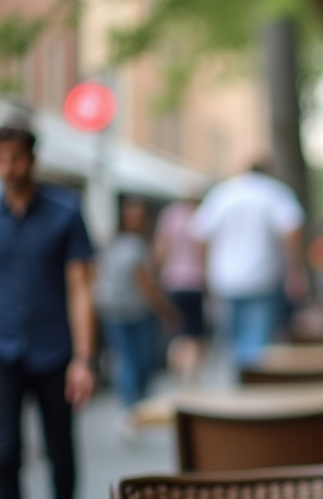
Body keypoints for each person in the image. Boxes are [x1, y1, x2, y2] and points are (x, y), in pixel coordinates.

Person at [0, 118, 95, 499]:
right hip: (4, 350)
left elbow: (80, 288)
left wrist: (84, 357)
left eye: (15, 157)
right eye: (1, 158)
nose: (7, 167)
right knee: (4, 453)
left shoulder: (65, 211)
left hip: (55, 349)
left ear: (32, 159)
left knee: (60, 445)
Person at [188, 157, 306, 368]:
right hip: (262, 278)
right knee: (257, 344)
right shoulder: (275, 192)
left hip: (225, 279)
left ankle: (240, 385)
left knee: (233, 344)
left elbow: (199, 233)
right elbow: (292, 229)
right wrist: (294, 271)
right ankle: (251, 388)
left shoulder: (223, 193)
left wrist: (206, 272)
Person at [94, 197, 179, 414]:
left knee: (126, 359)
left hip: (111, 310)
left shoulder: (113, 244)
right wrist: (167, 312)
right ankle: (135, 407)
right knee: (138, 360)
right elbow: (147, 286)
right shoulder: (136, 247)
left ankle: (131, 406)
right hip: (133, 312)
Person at [153, 194, 207, 382]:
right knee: (193, 335)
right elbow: (203, 250)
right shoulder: (199, 216)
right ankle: (191, 377)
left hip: (172, 281)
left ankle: (178, 372)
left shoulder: (169, 216)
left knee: (177, 332)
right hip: (195, 282)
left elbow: (161, 248)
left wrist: (160, 275)